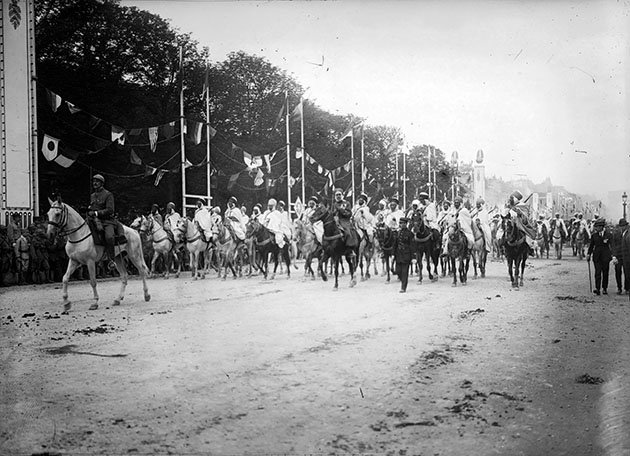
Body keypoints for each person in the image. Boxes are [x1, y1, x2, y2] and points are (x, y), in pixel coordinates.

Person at [87, 174, 116, 259]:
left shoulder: (108, 194)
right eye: (94, 181)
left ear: (102, 183)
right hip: (94, 220)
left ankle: (111, 259)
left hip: (107, 221)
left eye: (97, 181)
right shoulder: (92, 195)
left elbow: (110, 210)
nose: (95, 183)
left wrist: (96, 213)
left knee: (109, 237)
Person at [587, 218, 612, 295]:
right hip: (597, 257)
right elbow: (591, 246)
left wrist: (613, 255)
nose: (596, 228)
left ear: (601, 227)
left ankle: (604, 288)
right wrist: (588, 254)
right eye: (596, 227)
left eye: (597, 227)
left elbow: (612, 245)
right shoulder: (594, 235)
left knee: (605, 272)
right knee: (597, 272)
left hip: (605, 256)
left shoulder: (608, 234)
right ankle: (597, 288)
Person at [394, 217, 414, 293]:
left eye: (402, 223)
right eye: (400, 223)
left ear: (406, 224)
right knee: (398, 271)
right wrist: (393, 254)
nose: (400, 225)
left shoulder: (410, 234)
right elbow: (395, 244)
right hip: (398, 254)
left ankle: (403, 287)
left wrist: (413, 257)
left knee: (405, 272)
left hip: (406, 255)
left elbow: (412, 246)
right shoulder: (398, 233)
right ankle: (403, 280)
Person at [611, 218, 629, 295]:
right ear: (619, 227)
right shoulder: (616, 234)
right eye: (621, 226)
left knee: (627, 272)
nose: (623, 227)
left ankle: (627, 287)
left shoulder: (628, 234)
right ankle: (619, 287)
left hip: (626, 255)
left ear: (626, 226)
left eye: (624, 226)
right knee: (618, 271)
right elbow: (613, 245)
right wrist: (614, 256)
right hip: (618, 255)